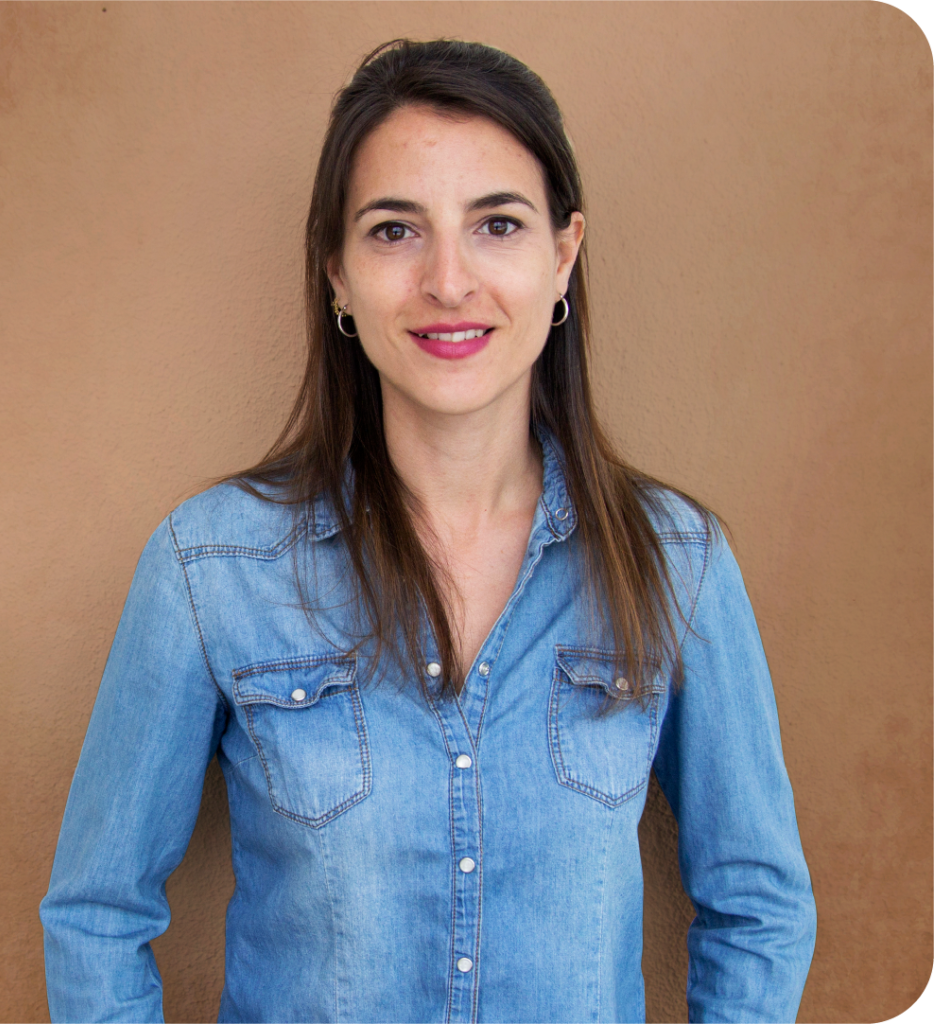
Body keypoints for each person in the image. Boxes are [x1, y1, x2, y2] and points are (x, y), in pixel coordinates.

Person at [40, 38, 817, 1024]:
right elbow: (96, 914)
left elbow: (760, 908)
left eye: (497, 224)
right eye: (395, 230)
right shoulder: (210, 568)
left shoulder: (676, 564)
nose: (448, 281)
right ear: (336, 273)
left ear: (562, 256)